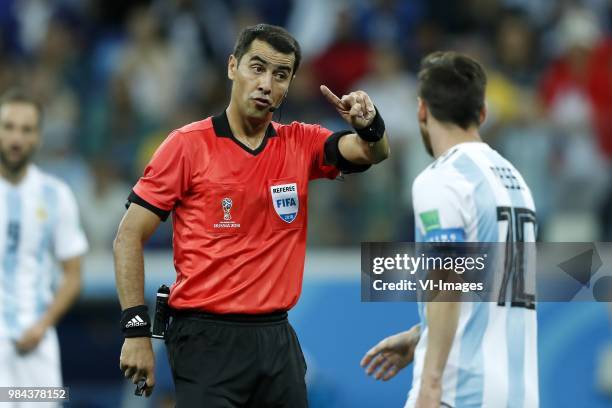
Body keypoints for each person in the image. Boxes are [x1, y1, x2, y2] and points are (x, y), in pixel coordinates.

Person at [115, 23, 390, 407]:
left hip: (276, 339)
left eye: (280, 75)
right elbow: (128, 236)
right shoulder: (186, 146)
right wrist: (135, 331)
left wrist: (370, 125)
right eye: (256, 68)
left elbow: (372, 153)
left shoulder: (300, 143)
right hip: (205, 340)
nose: (266, 84)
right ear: (232, 67)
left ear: (289, 85)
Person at [361, 51, 538, 408]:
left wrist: (431, 383)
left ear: (422, 110)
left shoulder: (441, 180)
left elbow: (448, 279)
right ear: (483, 113)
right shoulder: (515, 182)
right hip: (519, 394)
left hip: (460, 392)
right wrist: (420, 335)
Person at [0, 88, 88, 403]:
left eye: (26, 130)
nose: (16, 138)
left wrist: (43, 325)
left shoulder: (56, 195)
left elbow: (74, 274)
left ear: (37, 137)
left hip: (37, 345)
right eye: (8, 126)